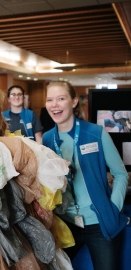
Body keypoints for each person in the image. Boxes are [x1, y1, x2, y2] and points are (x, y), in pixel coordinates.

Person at [42, 80, 129, 270]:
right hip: (65, 223)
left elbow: (121, 174)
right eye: (50, 100)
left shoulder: (96, 133)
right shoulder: (47, 139)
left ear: (73, 102)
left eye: (61, 98)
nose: (54, 104)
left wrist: (113, 208)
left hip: (99, 222)